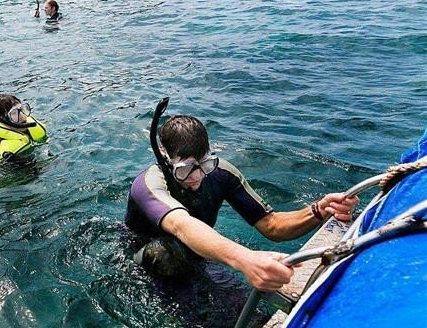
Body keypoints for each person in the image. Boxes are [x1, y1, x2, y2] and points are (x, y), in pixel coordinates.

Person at [125, 99, 359, 292]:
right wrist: (245, 259)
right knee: (163, 253)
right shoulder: (149, 184)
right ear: (166, 161)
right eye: (186, 170)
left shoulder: (221, 173)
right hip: (147, 258)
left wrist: (318, 210)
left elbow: (272, 225)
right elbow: (181, 226)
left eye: (205, 165)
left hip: (196, 254)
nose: (197, 177)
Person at [0, 94, 47, 160]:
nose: (22, 116)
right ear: (2, 120)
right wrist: (2, 164)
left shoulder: (30, 125)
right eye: (14, 113)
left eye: (21, 109)